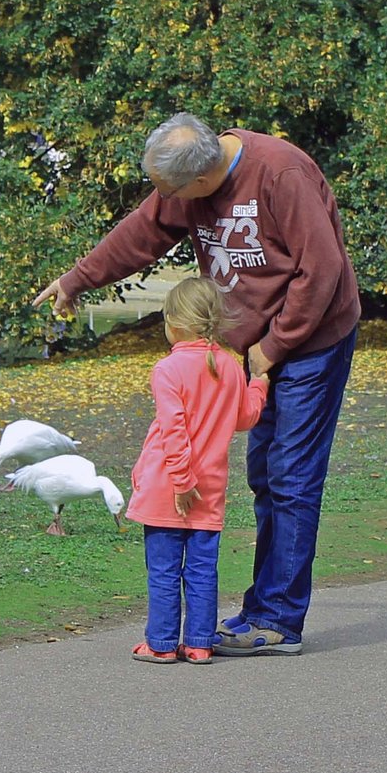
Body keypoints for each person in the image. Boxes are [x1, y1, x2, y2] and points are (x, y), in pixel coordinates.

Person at [34, 112, 359, 656]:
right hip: (250, 348)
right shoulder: (184, 181)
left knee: (292, 478)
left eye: (169, 192)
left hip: (311, 340)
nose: (161, 200)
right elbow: (141, 233)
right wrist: (78, 278)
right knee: (264, 473)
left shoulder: (281, 176)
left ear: (204, 181)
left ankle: (277, 621)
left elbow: (320, 271)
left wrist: (273, 347)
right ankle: (263, 608)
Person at [128, 277, 269, 665]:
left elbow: (174, 431)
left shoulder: (168, 369)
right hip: (210, 491)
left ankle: (160, 643)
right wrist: (259, 384)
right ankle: (199, 643)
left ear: (174, 323)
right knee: (203, 571)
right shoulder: (227, 365)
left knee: (164, 571)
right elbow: (245, 417)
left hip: (168, 488)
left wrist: (180, 481)